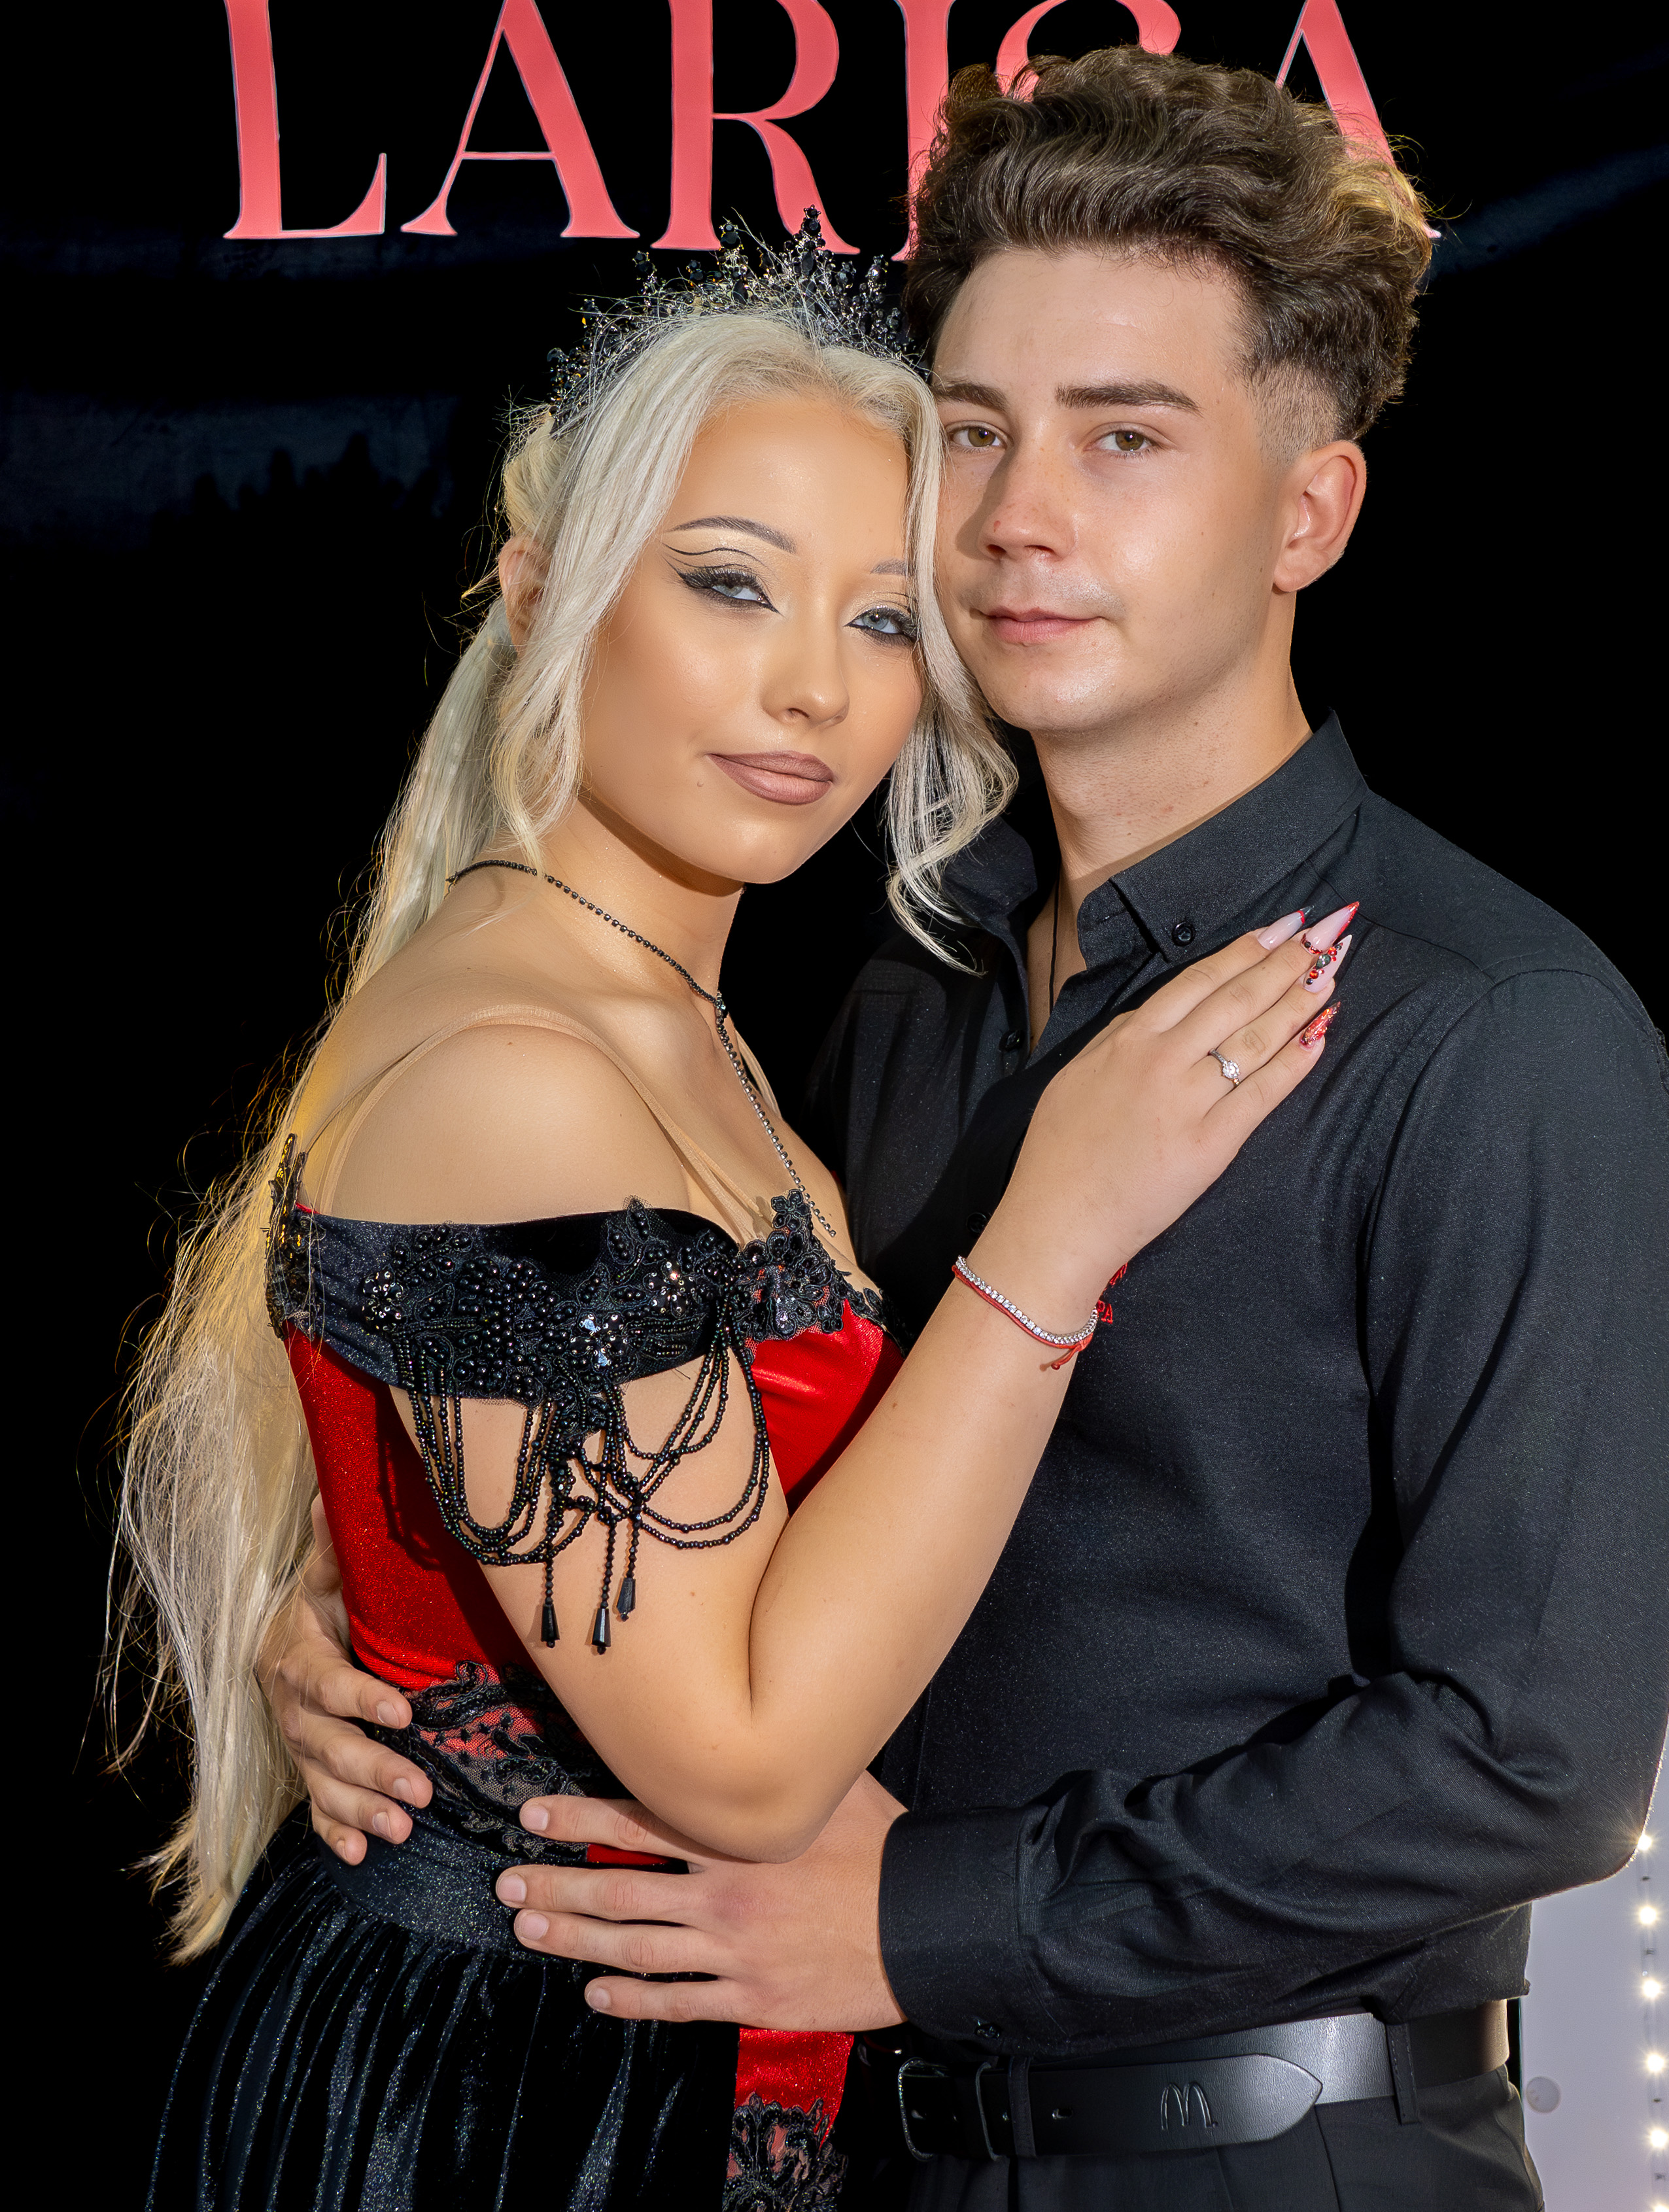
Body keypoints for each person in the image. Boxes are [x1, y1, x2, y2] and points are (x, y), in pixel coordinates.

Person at [273, 52, 1669, 2209]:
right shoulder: (891, 988)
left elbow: (1531, 1758)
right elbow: (729, 1497)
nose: (1020, 516)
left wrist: (920, 1921)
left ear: (1307, 514)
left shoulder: (1491, 1034)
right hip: (842, 2149)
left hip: (1271, 2163)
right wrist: (407, 1635)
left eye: (1124, 438)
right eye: (970, 432)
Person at [115, 236, 1337, 2212]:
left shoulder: (679, 1020)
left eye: (883, 617)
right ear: (539, 588)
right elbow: (744, 1767)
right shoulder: (524, 1074)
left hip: (638, 2048)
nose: (813, 691)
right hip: (498, 2093)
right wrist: (1056, 1235)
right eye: (730, 583)